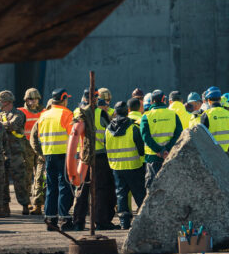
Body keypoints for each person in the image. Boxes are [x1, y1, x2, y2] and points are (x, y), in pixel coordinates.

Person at [31, 89, 75, 230]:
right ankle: (64, 219)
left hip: (48, 155)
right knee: (64, 187)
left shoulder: (43, 115)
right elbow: (73, 136)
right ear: (63, 99)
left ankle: (50, 219)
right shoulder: (67, 114)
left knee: (51, 187)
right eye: (66, 98)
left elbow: (38, 136)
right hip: (63, 155)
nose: (67, 100)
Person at [73, 89, 116, 231]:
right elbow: (110, 133)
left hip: (83, 156)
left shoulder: (77, 113)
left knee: (82, 188)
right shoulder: (100, 113)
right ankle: (101, 221)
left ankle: (78, 222)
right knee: (101, 189)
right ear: (96, 99)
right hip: (100, 156)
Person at [105, 101, 146, 230]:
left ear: (115, 112)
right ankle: (144, 220)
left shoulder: (108, 129)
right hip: (133, 165)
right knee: (139, 194)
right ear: (127, 111)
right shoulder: (133, 128)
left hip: (116, 167)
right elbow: (141, 149)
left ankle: (124, 223)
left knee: (121, 195)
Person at [0, 90, 34, 215]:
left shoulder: (18, 114)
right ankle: (5, 205)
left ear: (7, 102)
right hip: (3, 152)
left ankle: (25, 204)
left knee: (20, 180)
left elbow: (11, 125)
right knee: (3, 181)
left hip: (16, 153)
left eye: (0, 102)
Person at [140, 90, 182, 187]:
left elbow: (145, 136)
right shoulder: (173, 114)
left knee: (152, 186)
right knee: (170, 185)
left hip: (153, 157)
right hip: (170, 154)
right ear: (164, 100)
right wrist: (166, 150)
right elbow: (179, 134)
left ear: (151, 102)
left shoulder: (146, 116)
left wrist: (159, 150)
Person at [19, 88, 46, 215]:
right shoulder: (21, 112)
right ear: (26, 99)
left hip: (40, 147)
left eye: (35, 98)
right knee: (27, 176)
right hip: (26, 148)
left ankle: (38, 202)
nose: (33, 101)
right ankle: (27, 202)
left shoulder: (45, 112)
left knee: (40, 177)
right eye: (30, 98)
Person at [198, 87, 229, 152]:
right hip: (226, 153)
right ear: (220, 99)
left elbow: (201, 137)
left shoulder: (206, 115)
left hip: (212, 153)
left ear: (208, 100)